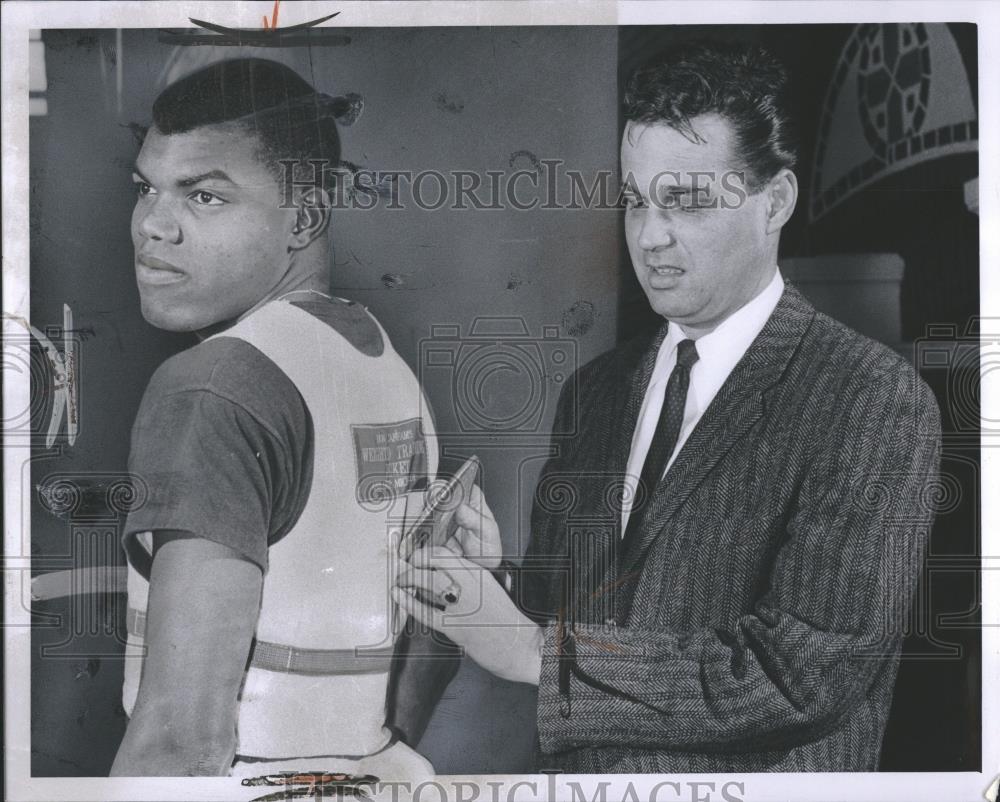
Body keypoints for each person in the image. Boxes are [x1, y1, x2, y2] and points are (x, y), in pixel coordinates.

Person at [395, 40, 943, 773]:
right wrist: (497, 581)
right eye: (635, 201)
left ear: (774, 201)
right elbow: (599, 622)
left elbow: (800, 675)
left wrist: (531, 649)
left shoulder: (870, 397)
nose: (650, 237)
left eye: (684, 201)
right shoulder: (595, 392)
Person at [110, 58, 459, 778]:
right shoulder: (381, 362)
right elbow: (432, 650)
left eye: (205, 197)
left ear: (303, 217)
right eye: (145, 189)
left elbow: (183, 741)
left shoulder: (213, 386)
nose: (153, 227)